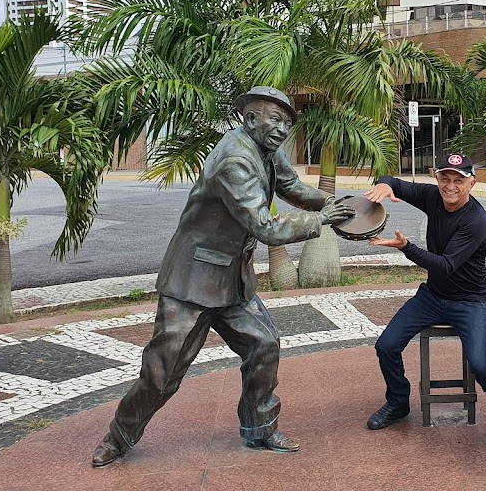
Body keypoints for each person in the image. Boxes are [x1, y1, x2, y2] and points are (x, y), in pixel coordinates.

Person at [91, 86, 354, 467]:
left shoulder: (265, 149)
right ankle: (118, 436)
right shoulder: (235, 159)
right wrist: (322, 220)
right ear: (249, 119)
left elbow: (292, 186)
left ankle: (259, 429)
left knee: (264, 344)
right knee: (163, 374)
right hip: (192, 282)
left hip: (232, 280)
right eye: (275, 120)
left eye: (286, 123)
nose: (282, 129)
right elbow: (265, 226)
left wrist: (330, 202)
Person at [362, 153, 486, 446]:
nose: (451, 186)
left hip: (470, 300)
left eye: (459, 180)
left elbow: (446, 265)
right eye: (445, 178)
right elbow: (394, 183)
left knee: (480, 362)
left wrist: (405, 247)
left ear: (471, 184)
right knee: (386, 345)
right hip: (433, 296)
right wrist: (384, 185)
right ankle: (398, 402)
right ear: (436, 178)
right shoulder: (431, 196)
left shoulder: (476, 221)